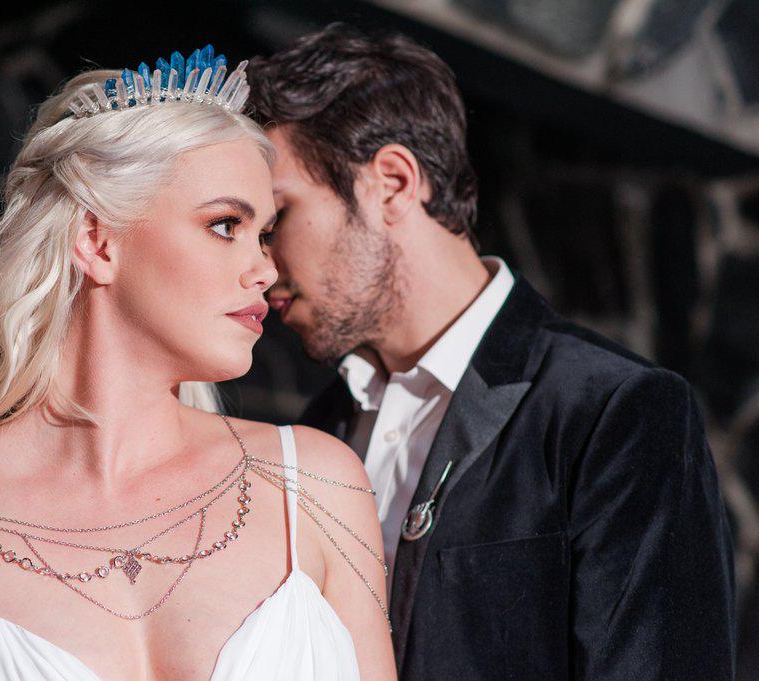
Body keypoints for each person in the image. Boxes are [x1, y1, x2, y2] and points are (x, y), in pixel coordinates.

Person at [0, 46, 395, 681]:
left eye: (264, 235)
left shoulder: (317, 486)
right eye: (226, 224)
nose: (265, 270)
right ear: (97, 241)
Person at [249, 23, 736, 680]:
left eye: (276, 218)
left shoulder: (616, 414)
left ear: (392, 182)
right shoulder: (314, 435)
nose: (259, 264)